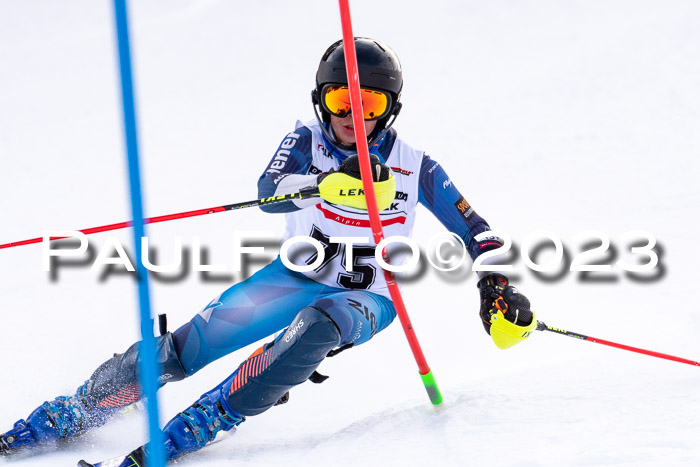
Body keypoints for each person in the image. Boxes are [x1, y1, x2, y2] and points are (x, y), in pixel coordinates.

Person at [0, 38, 536, 464]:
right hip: (293, 275)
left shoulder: (417, 166)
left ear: (389, 109)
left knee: (317, 326)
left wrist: (496, 286)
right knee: (188, 347)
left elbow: (479, 233)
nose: (351, 114)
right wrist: (323, 181)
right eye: (339, 99)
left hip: (368, 295)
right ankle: (69, 412)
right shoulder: (306, 139)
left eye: (367, 102)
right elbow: (267, 192)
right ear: (320, 100)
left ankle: (197, 426)